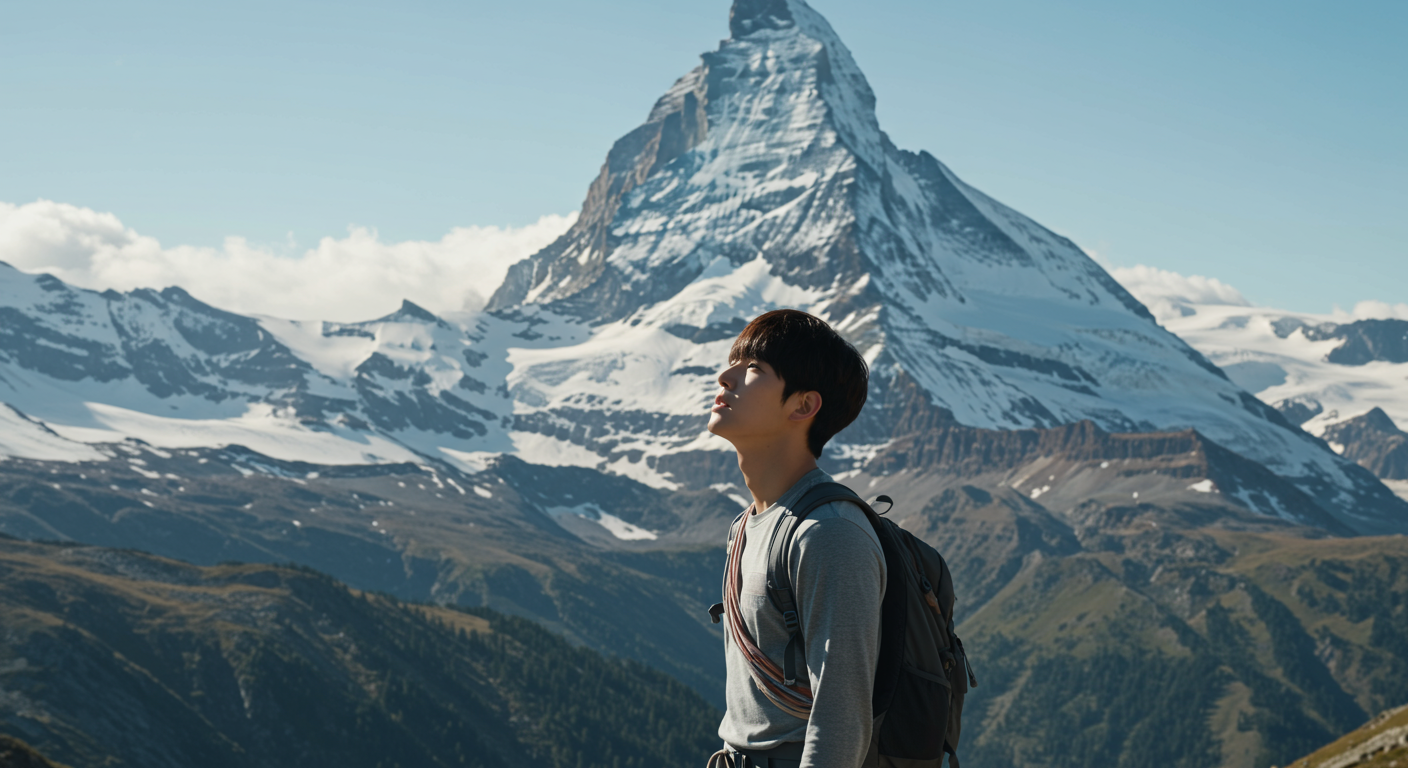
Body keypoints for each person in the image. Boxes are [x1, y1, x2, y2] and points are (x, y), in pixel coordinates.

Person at [707, 309, 885, 768]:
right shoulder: (746, 525)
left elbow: (841, 719)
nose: (724, 377)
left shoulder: (828, 534)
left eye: (752, 369)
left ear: (803, 406)